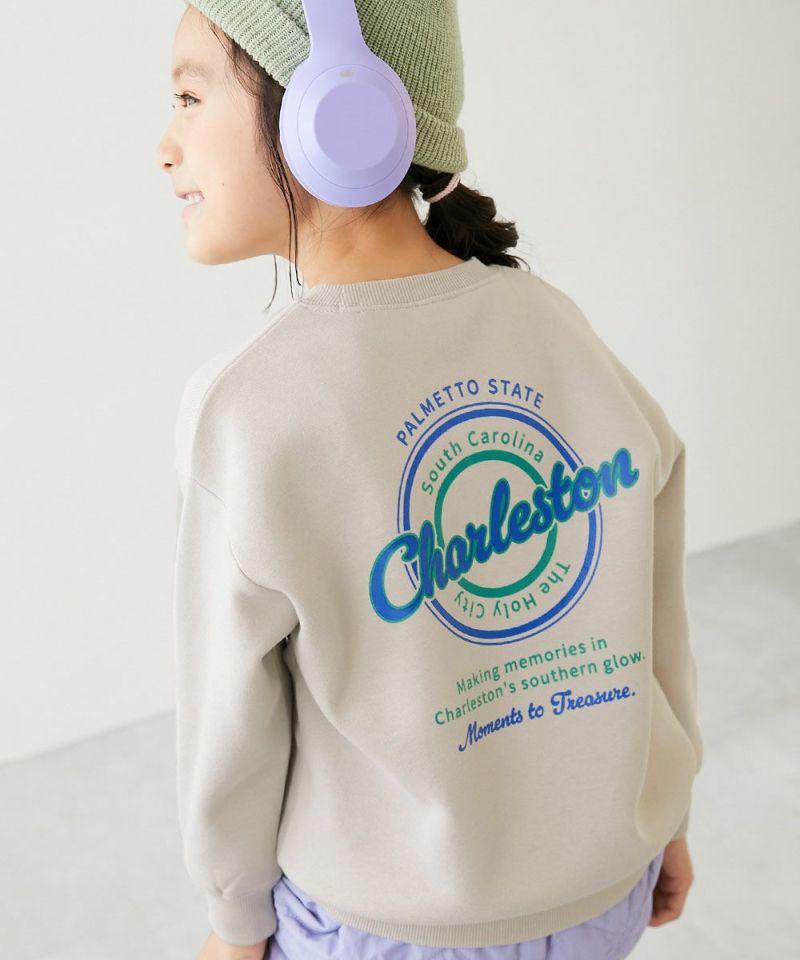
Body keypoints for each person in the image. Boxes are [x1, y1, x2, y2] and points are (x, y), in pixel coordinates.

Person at [157, 2, 703, 960]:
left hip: (390, 932)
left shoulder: (247, 411)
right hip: (605, 896)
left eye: (190, 97)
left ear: (334, 108)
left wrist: (235, 925)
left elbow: (229, 730)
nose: (164, 147)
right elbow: (652, 609)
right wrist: (665, 812)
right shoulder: (555, 324)